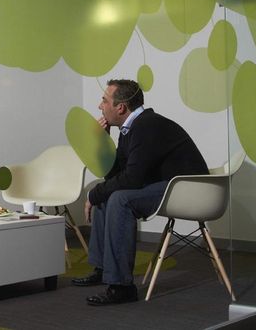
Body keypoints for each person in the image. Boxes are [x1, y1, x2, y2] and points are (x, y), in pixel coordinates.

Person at [72, 79, 208, 306]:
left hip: (190, 190)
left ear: (120, 107)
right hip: (170, 186)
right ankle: (104, 269)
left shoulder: (146, 126)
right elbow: (118, 176)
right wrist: (103, 142)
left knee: (119, 199)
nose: (99, 106)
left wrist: (93, 195)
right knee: (109, 195)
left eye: (104, 100)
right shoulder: (131, 129)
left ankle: (121, 287)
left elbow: (131, 180)